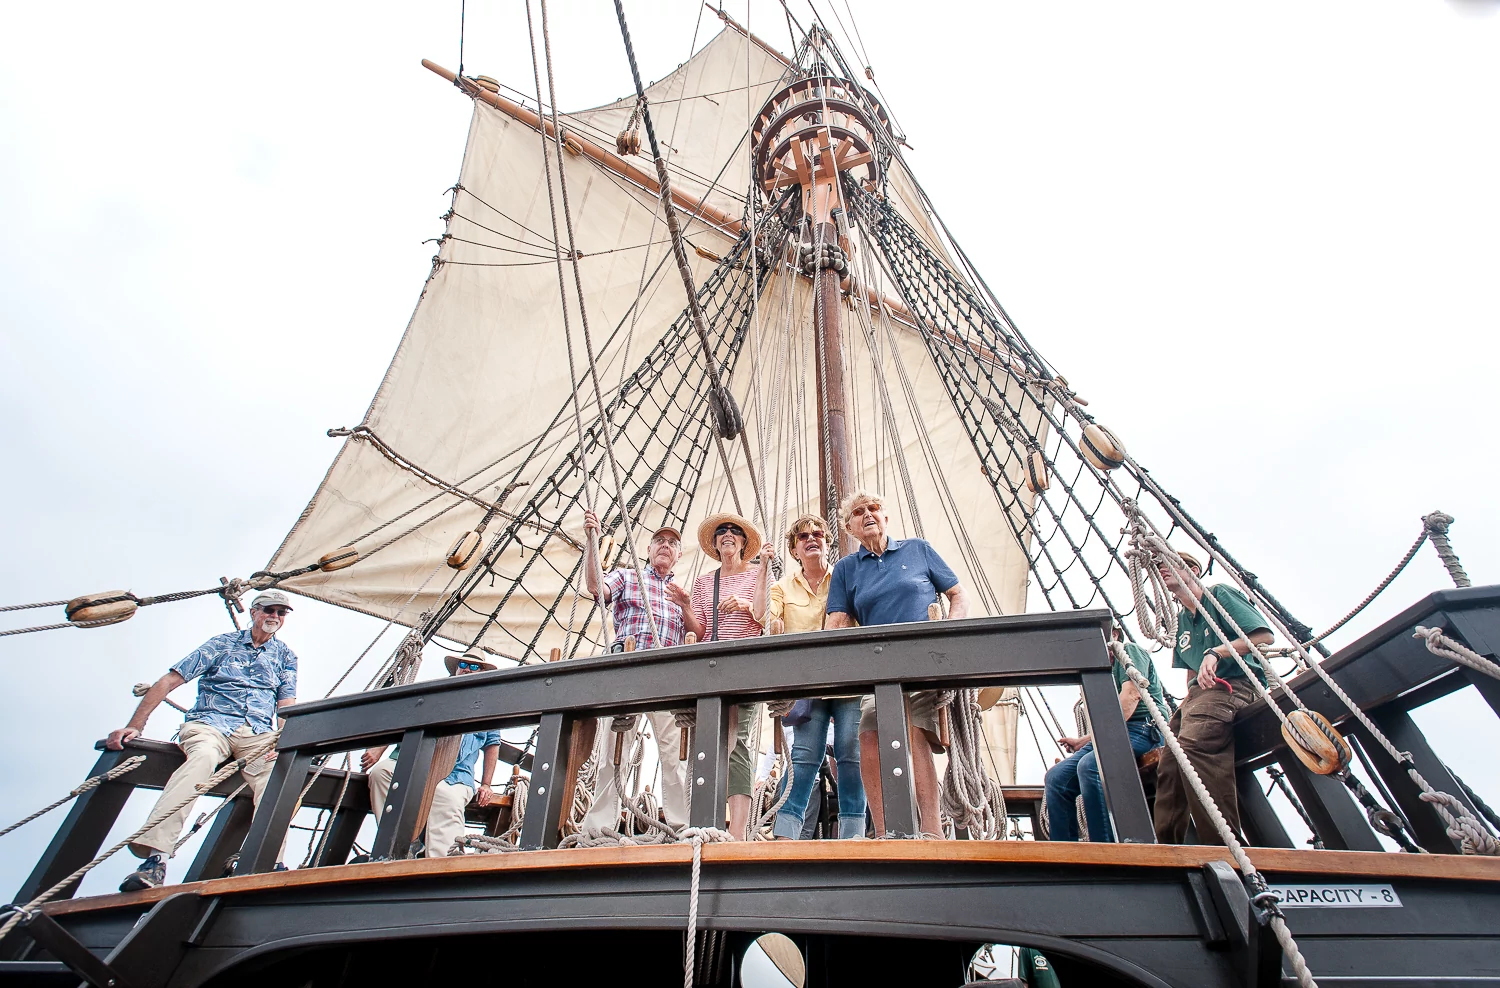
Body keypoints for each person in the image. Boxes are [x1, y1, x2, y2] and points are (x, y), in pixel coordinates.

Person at [108, 590, 299, 892]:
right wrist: (135, 726)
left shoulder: (286, 656)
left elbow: (286, 705)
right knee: (202, 761)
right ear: (254, 612)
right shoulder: (221, 644)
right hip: (210, 725)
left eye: (281, 612)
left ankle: (264, 861)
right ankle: (155, 861)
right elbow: (169, 680)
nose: (274, 617)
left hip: (257, 735)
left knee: (282, 777)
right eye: (268, 610)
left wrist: (285, 740)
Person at [824, 490, 969, 837]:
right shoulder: (846, 569)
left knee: (915, 734)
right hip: (876, 668)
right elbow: (837, 621)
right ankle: (887, 833)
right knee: (869, 738)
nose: (868, 514)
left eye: (874, 508)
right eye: (859, 512)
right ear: (849, 528)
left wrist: (950, 631)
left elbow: (958, 594)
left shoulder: (917, 550)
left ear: (886, 517)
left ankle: (932, 832)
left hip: (923, 663)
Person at [578, 508, 699, 833]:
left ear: (678, 555)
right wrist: (592, 542)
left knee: (676, 757)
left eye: (672, 543)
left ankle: (682, 826)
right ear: (647, 549)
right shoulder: (628, 576)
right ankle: (599, 827)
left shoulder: (680, 593)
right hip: (627, 674)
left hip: (667, 679)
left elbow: (697, 636)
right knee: (613, 753)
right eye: (659, 540)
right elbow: (595, 588)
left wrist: (686, 605)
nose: (665, 545)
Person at [1152, 550, 1273, 845]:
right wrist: (1187, 699)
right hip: (1199, 695)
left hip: (1235, 684)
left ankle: (1224, 848)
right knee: (1168, 764)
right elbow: (1190, 670)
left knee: (1195, 747)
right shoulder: (1180, 621)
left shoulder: (1218, 595)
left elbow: (1263, 637)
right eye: (1156, 567)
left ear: (1192, 569)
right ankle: (1167, 850)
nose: (1159, 570)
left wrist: (1216, 652)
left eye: (1165, 564)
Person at [761, 514, 867, 840]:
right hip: (806, 683)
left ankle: (853, 832)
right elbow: (766, 620)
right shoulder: (780, 588)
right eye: (803, 536)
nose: (812, 539)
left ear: (827, 541)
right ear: (794, 550)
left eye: (818, 534)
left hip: (848, 680)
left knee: (851, 752)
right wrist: (763, 569)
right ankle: (786, 831)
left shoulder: (848, 577)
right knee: (804, 757)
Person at [363, 651, 501, 857]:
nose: (466, 669)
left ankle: (442, 865)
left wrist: (486, 783)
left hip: (455, 775)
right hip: (415, 764)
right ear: (455, 669)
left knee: (445, 798)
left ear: (481, 672)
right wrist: (378, 749)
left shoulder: (489, 707)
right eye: (463, 664)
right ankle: (398, 843)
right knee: (381, 773)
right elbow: (401, 720)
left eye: (474, 667)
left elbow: (492, 744)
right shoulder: (433, 693)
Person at [690, 511, 774, 839]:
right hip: (711, 668)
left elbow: (765, 615)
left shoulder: (757, 575)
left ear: (742, 542)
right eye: (722, 531)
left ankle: (737, 829)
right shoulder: (703, 583)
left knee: (737, 742)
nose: (728, 534)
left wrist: (761, 573)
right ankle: (703, 819)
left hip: (744, 665)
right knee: (710, 740)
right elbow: (697, 628)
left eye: (734, 531)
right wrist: (685, 606)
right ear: (714, 543)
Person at [1043, 625, 1164, 842]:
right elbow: (1113, 719)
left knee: (1090, 767)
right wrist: (1085, 740)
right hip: (1118, 730)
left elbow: (1130, 699)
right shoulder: (1102, 671)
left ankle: (1103, 846)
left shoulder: (1128, 651)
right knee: (1056, 778)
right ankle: (1066, 853)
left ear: (1114, 635)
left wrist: (1098, 737)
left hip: (1144, 728)